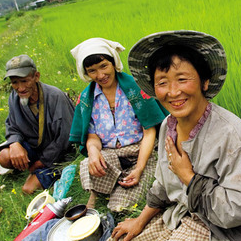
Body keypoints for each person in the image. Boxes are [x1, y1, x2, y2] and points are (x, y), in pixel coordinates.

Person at [107, 30, 241, 241]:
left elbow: (240, 211)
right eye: (162, 82)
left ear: (204, 82)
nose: (173, 92)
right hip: (192, 216)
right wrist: (140, 220)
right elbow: (162, 183)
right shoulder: (168, 125)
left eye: (182, 79)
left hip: (236, 237)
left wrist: (189, 177)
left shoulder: (231, 136)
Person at [69, 38, 168, 211]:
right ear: (85, 73)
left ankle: (117, 184)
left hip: (140, 152)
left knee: (119, 206)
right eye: (92, 71)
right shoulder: (87, 99)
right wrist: (93, 152)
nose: (100, 75)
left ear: (114, 63)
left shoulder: (134, 88)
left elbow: (149, 132)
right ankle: (95, 194)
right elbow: (92, 136)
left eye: (103, 66)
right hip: (110, 154)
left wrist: (139, 168)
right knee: (88, 164)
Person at [0, 54, 75, 194]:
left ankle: (38, 170)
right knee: (4, 157)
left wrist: (41, 162)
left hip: (59, 154)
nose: (20, 88)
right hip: (35, 148)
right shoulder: (14, 97)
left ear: (36, 76)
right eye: (14, 82)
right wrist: (15, 143)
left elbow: (65, 139)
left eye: (24, 81)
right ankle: (29, 166)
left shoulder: (56, 97)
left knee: (28, 189)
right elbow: (12, 125)